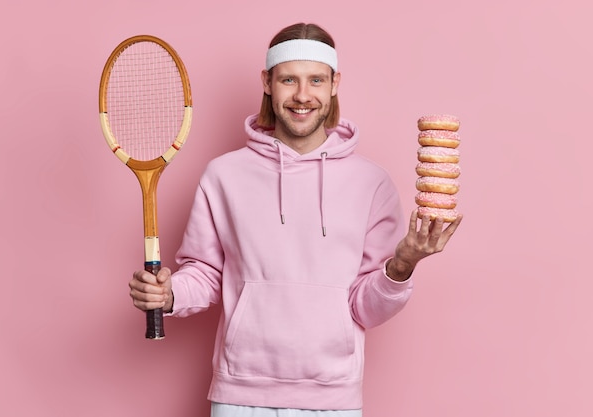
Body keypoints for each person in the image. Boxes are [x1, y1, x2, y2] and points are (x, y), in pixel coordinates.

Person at [129, 22, 462, 417]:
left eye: (316, 80)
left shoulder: (372, 184)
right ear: (267, 82)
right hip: (240, 395)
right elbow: (204, 273)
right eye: (289, 79)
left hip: (333, 399)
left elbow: (365, 307)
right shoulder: (223, 175)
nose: (303, 96)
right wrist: (169, 296)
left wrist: (403, 265)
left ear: (334, 83)